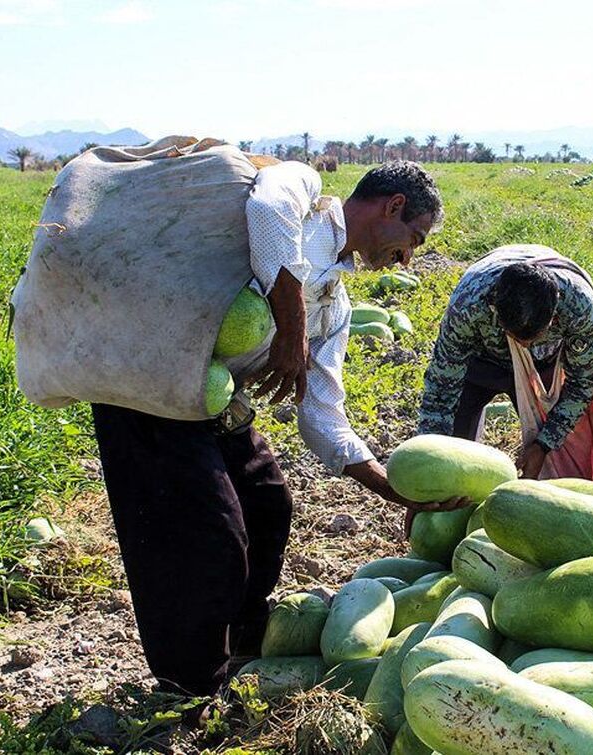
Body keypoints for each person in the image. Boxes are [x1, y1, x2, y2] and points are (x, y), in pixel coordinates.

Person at [90, 160, 465, 705]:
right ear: (394, 207)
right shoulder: (301, 191)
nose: (408, 257)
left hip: (212, 395)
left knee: (268, 504)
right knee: (208, 533)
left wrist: (388, 486)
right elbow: (265, 211)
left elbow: (320, 414)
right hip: (150, 377)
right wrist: (290, 326)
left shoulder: (334, 305)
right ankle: (190, 690)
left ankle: (239, 644)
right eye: (414, 239)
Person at [418, 247, 593, 479]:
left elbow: (583, 382)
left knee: (561, 461)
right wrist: (429, 461)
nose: (523, 347)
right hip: (482, 361)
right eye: (516, 337)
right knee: (452, 450)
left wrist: (544, 444)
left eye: (534, 337)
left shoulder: (578, 307)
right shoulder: (469, 305)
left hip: (541, 366)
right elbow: (441, 389)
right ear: (495, 309)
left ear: (554, 317)